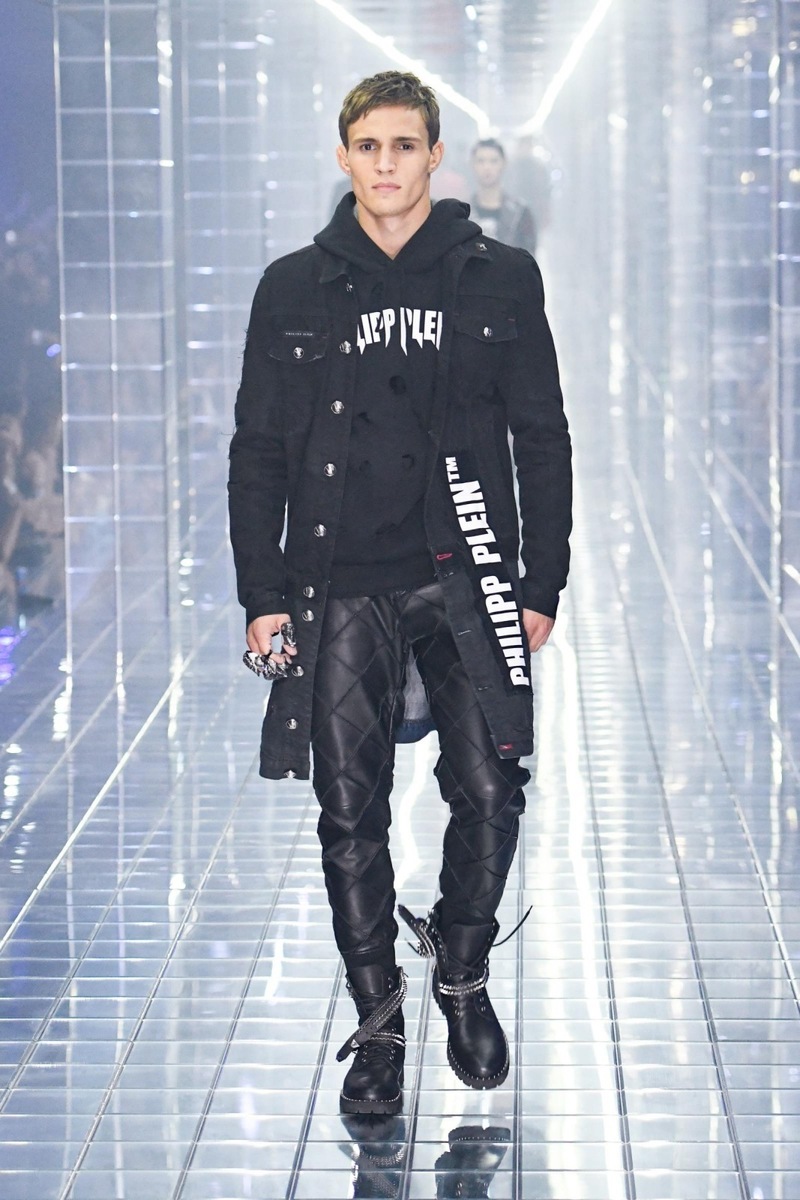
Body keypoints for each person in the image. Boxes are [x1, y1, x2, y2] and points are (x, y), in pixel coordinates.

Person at [228, 70, 571, 1117]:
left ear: (435, 157)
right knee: (349, 811)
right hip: (338, 583)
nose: (386, 163)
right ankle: (378, 1024)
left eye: (404, 145)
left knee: (492, 787)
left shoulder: (499, 278)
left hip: (468, 572)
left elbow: (542, 437)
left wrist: (542, 579)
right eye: (368, 146)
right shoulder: (293, 286)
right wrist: (261, 591)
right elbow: (258, 449)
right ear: (344, 158)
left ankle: (460, 970)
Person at [470, 137, 538, 255]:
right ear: (472, 164)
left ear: (503, 163)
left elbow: (529, 257)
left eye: (493, 161)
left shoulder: (520, 213)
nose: (487, 167)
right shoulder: (462, 214)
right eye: (481, 161)